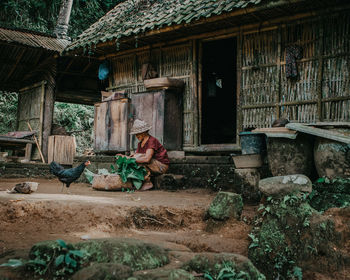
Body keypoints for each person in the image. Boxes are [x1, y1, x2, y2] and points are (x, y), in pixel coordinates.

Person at [128, 119, 169, 190]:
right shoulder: (140, 144)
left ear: (144, 132)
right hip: (152, 165)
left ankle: (148, 182)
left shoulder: (151, 141)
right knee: (135, 157)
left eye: (138, 134)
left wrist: (133, 158)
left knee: (138, 157)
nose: (136, 136)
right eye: (136, 134)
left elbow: (147, 159)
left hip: (161, 166)